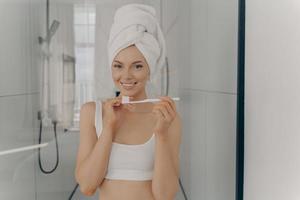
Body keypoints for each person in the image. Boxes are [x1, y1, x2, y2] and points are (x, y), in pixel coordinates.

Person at [75, 3, 182, 200]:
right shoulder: (92, 112)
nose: (126, 76)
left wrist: (161, 134)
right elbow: (87, 186)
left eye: (138, 66)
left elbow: (165, 196)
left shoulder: (167, 119)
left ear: (150, 68)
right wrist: (109, 128)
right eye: (118, 66)